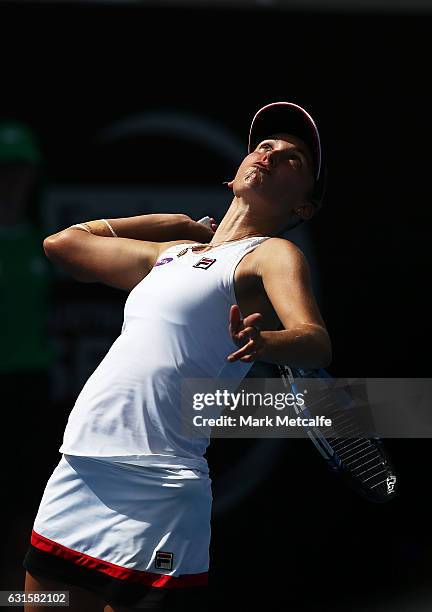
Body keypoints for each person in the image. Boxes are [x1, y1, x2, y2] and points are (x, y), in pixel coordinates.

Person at [23, 102, 331, 611]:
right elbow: (63, 243)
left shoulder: (273, 254)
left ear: (304, 208)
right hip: (83, 463)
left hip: (161, 481)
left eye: (293, 158)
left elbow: (315, 339)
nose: (271, 153)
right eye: (264, 145)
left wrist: (267, 342)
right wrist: (173, 225)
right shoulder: (167, 257)